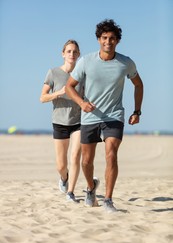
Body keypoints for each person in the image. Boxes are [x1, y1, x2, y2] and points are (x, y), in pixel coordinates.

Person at [65, 19, 143, 213]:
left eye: (112, 38)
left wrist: (137, 111)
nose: (108, 41)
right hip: (90, 117)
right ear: (99, 39)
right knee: (86, 161)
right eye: (105, 38)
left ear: (117, 41)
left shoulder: (125, 62)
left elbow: (139, 85)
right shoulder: (86, 61)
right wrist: (82, 103)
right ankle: (91, 189)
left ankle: (108, 200)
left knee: (111, 154)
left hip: (114, 115)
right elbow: (69, 86)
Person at [40, 39, 83, 203]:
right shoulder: (53, 73)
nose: (72, 54)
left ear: (79, 55)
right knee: (61, 165)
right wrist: (59, 92)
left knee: (75, 156)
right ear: (63, 54)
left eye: (75, 51)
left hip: (78, 121)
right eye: (69, 51)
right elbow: (42, 97)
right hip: (59, 122)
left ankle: (71, 193)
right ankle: (64, 179)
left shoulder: (82, 74)